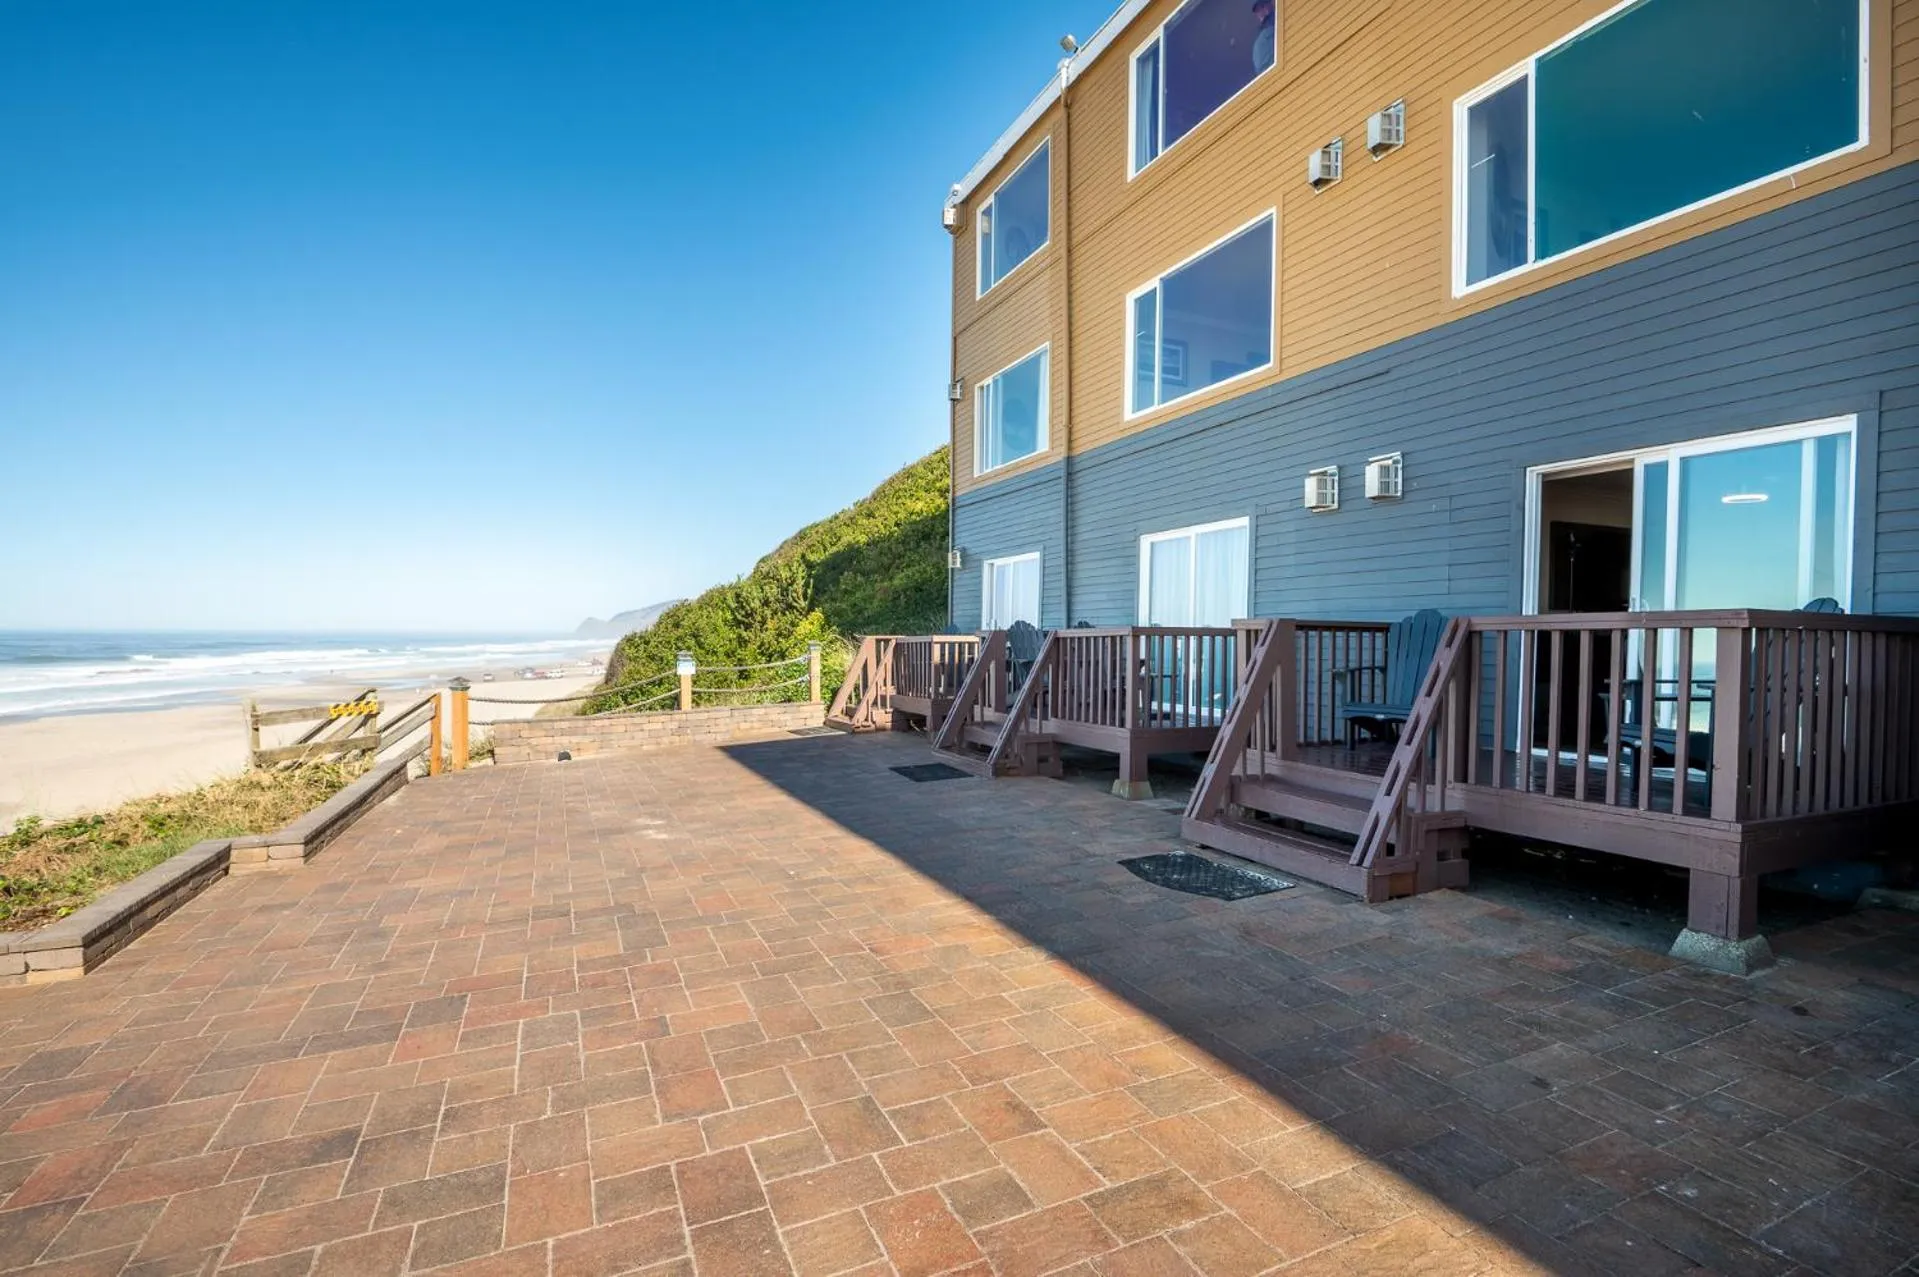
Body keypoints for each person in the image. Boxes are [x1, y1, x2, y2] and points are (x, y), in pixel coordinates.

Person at [1251, 0, 1275, 74]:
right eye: (1258, 10)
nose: (1263, 11)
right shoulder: (1261, 39)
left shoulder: (1280, 19)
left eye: (1263, 6)